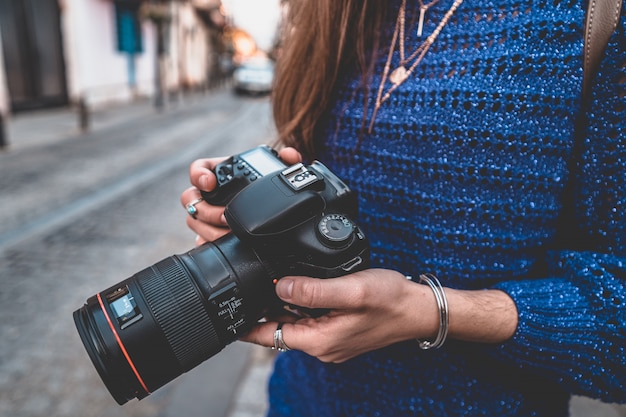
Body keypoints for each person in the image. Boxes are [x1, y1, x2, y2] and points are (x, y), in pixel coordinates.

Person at [181, 1, 625, 415]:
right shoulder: (332, 12)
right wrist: (260, 192)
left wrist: (431, 311)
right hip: (298, 398)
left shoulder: (590, 18)